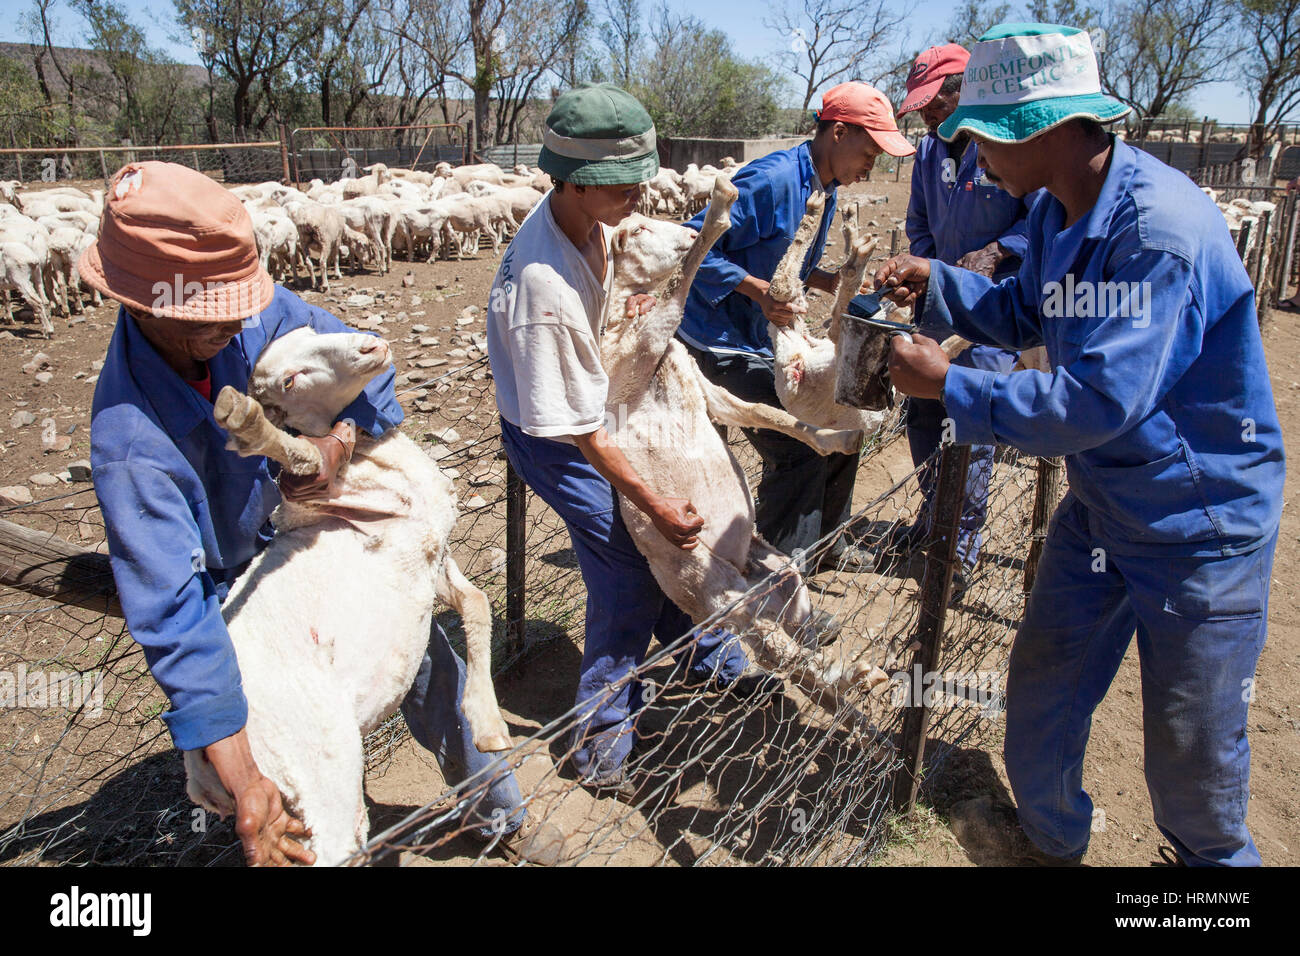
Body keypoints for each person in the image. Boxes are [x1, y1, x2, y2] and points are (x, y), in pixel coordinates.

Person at [876, 23, 1284, 866]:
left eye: (985, 134)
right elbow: (1030, 313)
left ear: (1048, 130)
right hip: (1105, 505)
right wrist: (942, 284)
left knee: (1191, 759)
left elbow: (1098, 402)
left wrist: (950, 385)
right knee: (1043, 693)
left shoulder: (1154, 233)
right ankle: (1053, 841)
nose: (972, 154)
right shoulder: (1066, 212)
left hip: (1197, 524)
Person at [85, 161, 562, 865]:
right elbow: (174, 611)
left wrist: (335, 443)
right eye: (215, 315)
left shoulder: (239, 313)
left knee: (428, 663)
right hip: (240, 595)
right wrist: (242, 772)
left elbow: (362, 358)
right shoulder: (132, 443)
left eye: (240, 304)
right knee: (281, 767)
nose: (242, 323)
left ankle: (497, 814)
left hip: (316, 539)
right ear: (152, 303)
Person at [486, 84, 758, 797]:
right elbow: (574, 427)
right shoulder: (541, 288)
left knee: (660, 540)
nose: (640, 194)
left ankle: (710, 656)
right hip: (558, 436)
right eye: (626, 185)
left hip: (599, 405)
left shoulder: (593, 227)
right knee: (630, 563)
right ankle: (601, 740)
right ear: (578, 182)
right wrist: (652, 501)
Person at [678, 82, 915, 572]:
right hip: (722, 341)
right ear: (839, 133)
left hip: (767, 336)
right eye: (870, 151)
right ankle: (782, 581)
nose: (873, 166)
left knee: (846, 415)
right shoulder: (777, 180)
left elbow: (784, 259)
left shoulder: (821, 186)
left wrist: (831, 278)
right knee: (802, 443)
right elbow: (690, 245)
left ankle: (829, 545)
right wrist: (756, 291)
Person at [891, 44, 1044, 596]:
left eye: (936, 100)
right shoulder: (930, 153)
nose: (929, 113)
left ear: (966, 90)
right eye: (923, 104)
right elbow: (918, 223)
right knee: (924, 416)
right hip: (936, 308)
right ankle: (935, 518)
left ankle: (959, 551)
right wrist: (929, 267)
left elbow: (1040, 221)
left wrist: (999, 249)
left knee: (971, 424)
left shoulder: (1004, 148)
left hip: (992, 312)